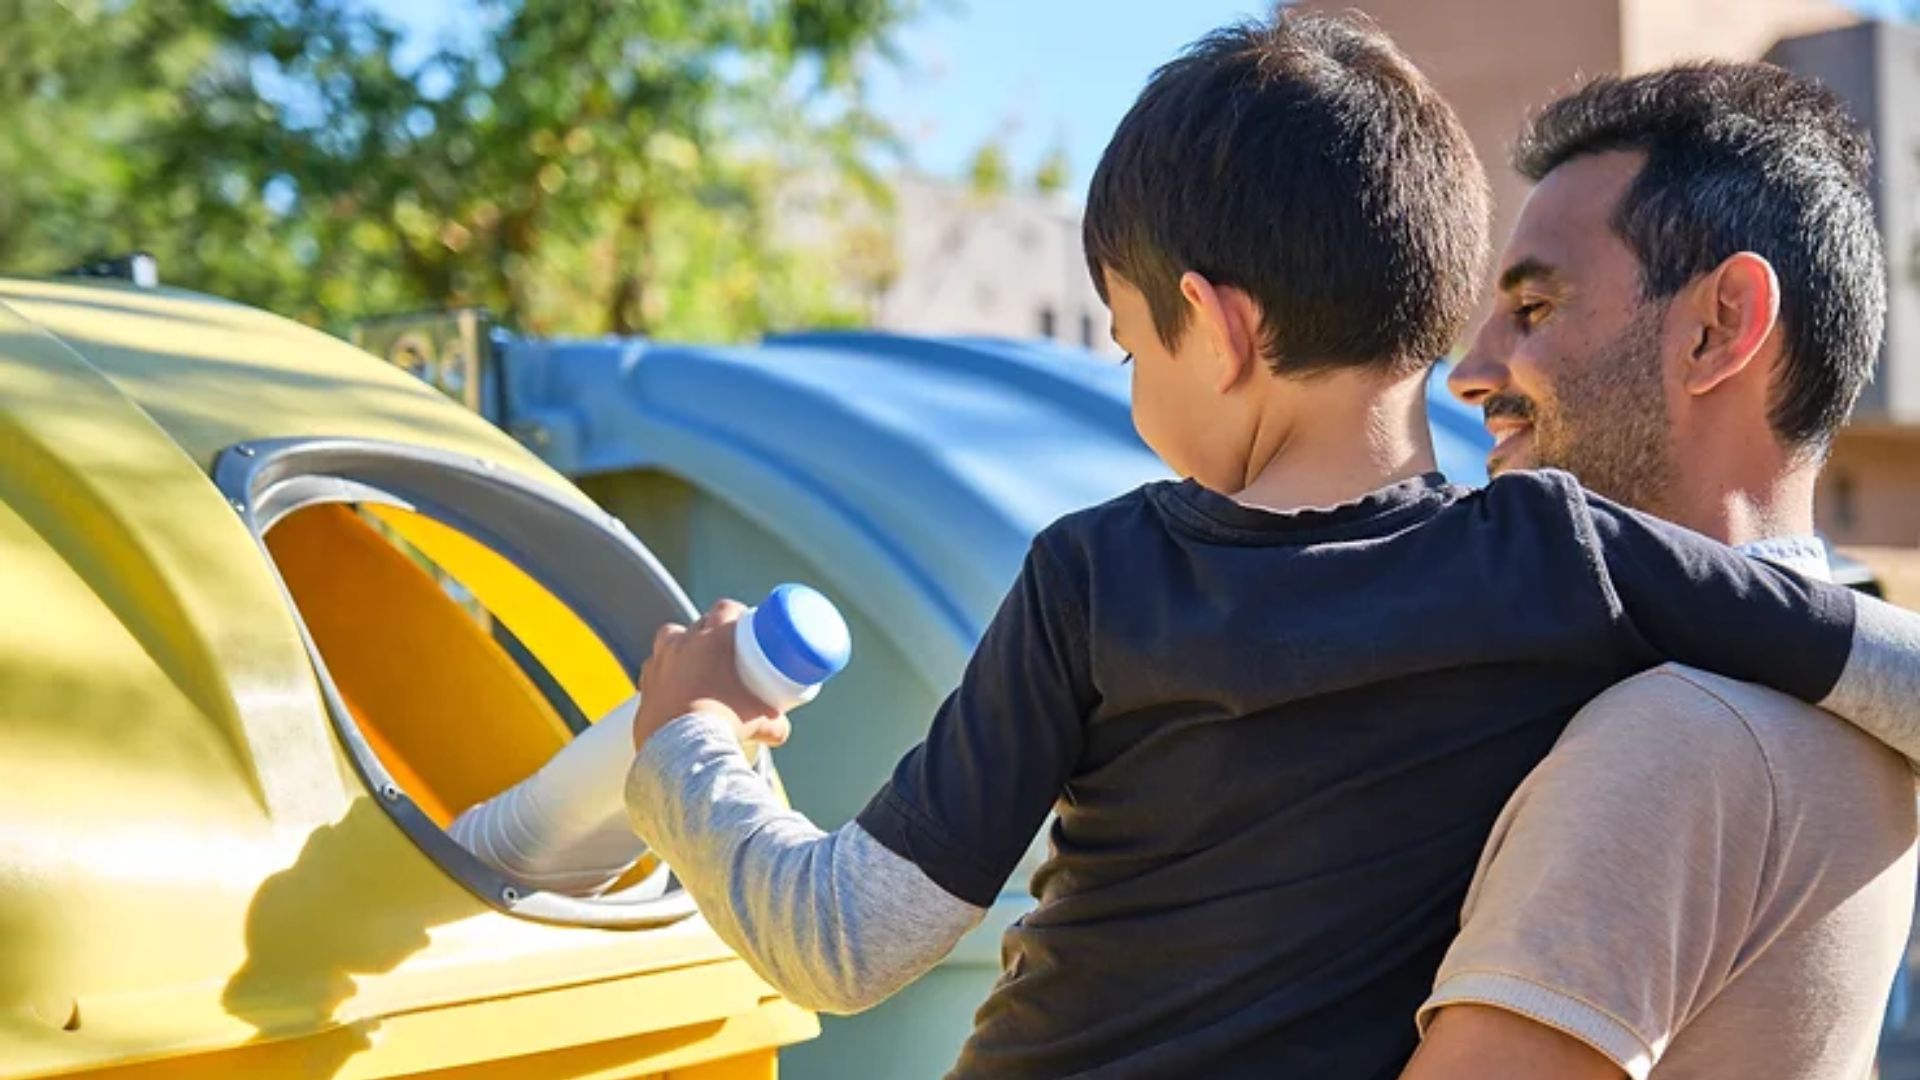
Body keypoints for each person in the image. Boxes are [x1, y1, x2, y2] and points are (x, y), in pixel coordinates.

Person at [621, 12, 1920, 1077]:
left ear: (1218, 326)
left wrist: (689, 744)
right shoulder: (1569, 559)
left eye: (1129, 346)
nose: (1133, 389)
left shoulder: (1097, 580)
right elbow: (1855, 651)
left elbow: (845, 941)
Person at [1403, 63, 1919, 1080]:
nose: (1468, 372)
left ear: (1719, 326)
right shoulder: (1845, 723)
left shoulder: (1678, 737)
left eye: (1534, 306)